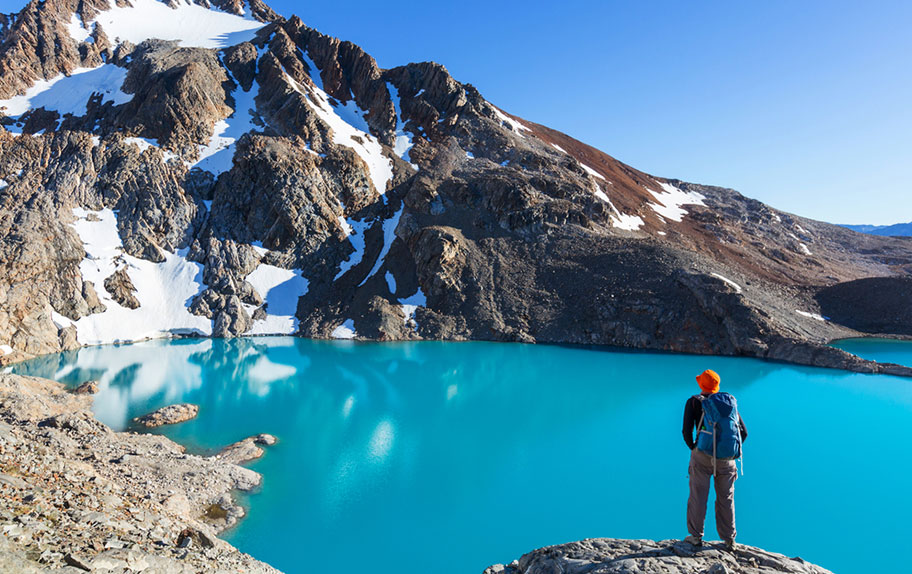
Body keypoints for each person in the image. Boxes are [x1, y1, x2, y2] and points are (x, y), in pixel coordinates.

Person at [682, 369, 747, 551]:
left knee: (698, 497)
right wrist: (728, 451)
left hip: (702, 457)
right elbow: (744, 433)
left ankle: (695, 537)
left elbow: (686, 432)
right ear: (717, 386)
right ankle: (729, 540)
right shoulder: (729, 403)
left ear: (701, 384)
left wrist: (695, 448)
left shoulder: (694, 402)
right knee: (726, 498)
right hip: (727, 460)